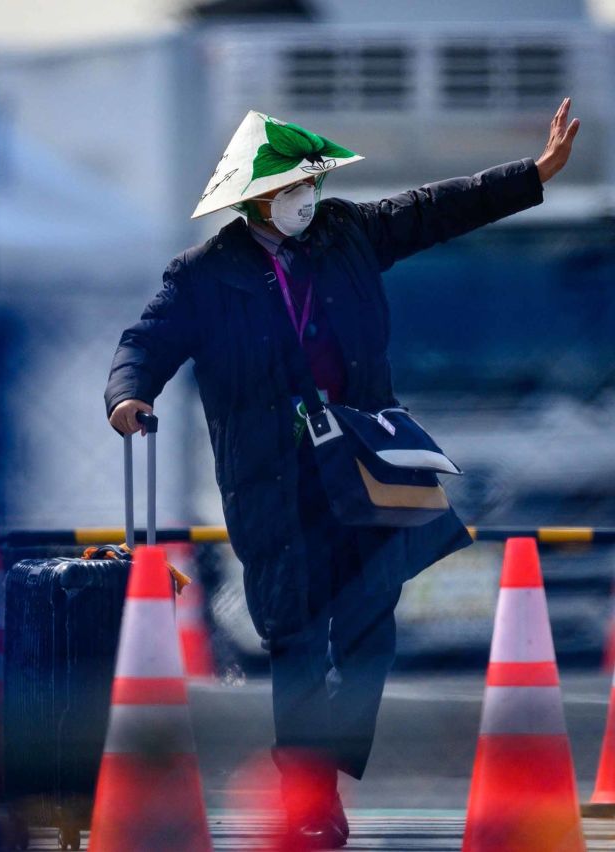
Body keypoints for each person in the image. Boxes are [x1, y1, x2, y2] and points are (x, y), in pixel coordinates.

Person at [105, 100, 579, 849]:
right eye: (296, 184)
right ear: (257, 197)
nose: (309, 196)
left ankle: (317, 766)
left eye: (313, 182)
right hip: (271, 478)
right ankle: (310, 797)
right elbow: (146, 339)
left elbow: (436, 209)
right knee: (294, 639)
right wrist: (129, 394)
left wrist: (531, 175)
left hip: (360, 465)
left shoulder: (349, 231)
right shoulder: (203, 274)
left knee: (369, 631)